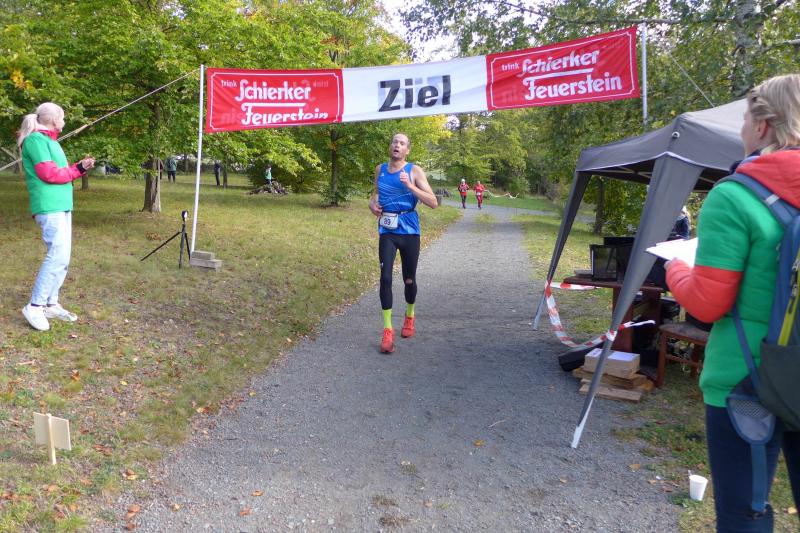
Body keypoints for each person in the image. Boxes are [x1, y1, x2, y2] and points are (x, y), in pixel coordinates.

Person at [665, 73, 800, 532]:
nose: (742, 129)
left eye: (744, 119)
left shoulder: (735, 196)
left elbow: (707, 304)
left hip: (748, 378)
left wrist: (676, 268)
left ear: (762, 126)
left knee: (747, 512)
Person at [17, 102, 95, 331]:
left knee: (63, 256)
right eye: (63, 117)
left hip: (61, 205)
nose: (65, 121)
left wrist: (80, 167)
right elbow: (49, 174)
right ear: (53, 120)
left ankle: (51, 304)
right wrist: (77, 170)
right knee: (57, 255)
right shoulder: (35, 140)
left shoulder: (51, 141)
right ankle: (35, 306)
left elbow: (61, 171)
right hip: (48, 206)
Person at [369, 133, 438, 353]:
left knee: (409, 279)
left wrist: (410, 186)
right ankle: (387, 331)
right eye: (394, 142)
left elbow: (433, 202)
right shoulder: (380, 169)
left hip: (409, 230)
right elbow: (375, 194)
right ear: (390, 146)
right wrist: (372, 205)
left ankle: (409, 316)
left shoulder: (414, 171)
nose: (397, 145)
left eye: (402, 143)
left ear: (407, 150)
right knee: (385, 278)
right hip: (387, 230)